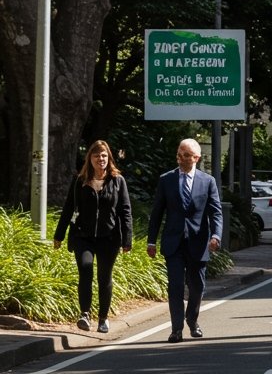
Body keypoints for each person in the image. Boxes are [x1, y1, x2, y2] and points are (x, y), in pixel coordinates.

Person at [146, 138, 222, 343]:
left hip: (198, 242)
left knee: (197, 286)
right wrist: (151, 241)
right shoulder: (166, 179)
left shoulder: (208, 181)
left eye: (186, 155)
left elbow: (216, 212)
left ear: (196, 158)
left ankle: (192, 319)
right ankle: (176, 329)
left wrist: (216, 236)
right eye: (180, 154)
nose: (181, 158)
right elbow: (157, 213)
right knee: (176, 286)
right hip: (174, 242)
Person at [53, 140, 133, 334]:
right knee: (86, 270)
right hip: (83, 236)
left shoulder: (117, 181)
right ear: (90, 158)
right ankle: (85, 314)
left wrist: (127, 240)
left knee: (104, 277)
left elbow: (125, 211)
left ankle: (103, 318)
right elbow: (68, 209)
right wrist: (59, 235)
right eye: (97, 156)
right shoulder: (79, 181)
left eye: (104, 156)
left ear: (109, 158)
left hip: (109, 237)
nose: (101, 159)